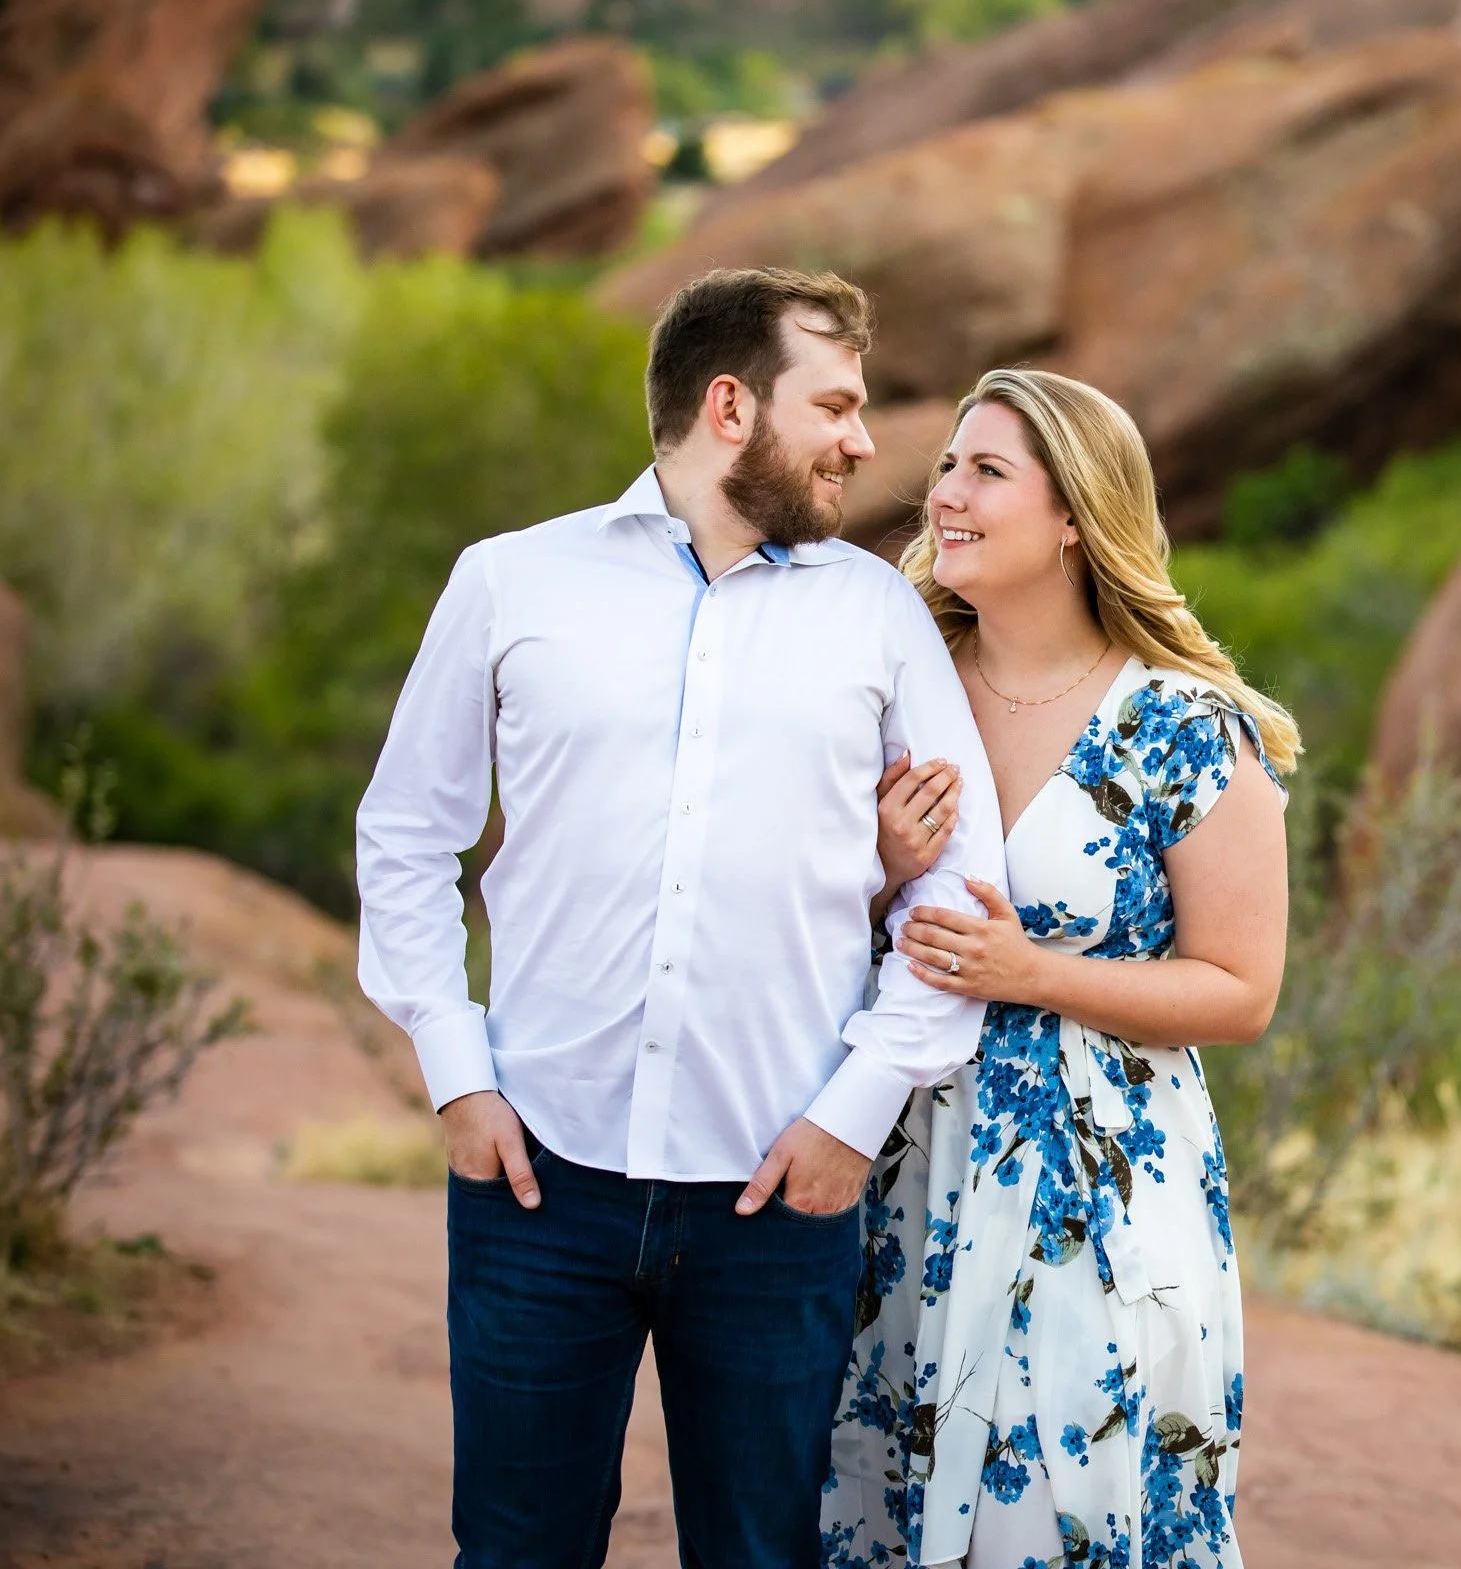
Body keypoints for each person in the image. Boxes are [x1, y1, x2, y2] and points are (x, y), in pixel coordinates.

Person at [354, 266, 1005, 1568]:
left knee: (760, 1555)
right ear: (730, 406)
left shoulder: (874, 614)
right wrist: (456, 1072)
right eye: (835, 405)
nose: (865, 442)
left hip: (782, 1202)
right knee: (515, 1550)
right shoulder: (508, 584)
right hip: (539, 1183)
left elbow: (959, 889)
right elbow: (405, 837)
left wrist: (855, 1110)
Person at [825, 369, 1296, 1569]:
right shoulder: (894, 688)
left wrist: (1031, 970)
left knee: (1063, 1522)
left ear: (1078, 514)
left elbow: (1241, 990)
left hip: (1099, 1196)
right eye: (945, 468)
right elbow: (806, 926)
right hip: (897, 1177)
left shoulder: (1185, 726)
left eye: (988, 470)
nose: (947, 494)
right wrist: (882, 867)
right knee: (877, 1505)